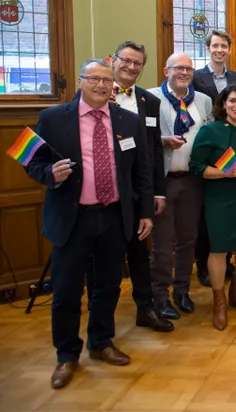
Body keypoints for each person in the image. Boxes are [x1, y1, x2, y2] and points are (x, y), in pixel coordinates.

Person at [25, 59, 154, 389]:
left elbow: (141, 172)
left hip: (114, 216)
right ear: (80, 81)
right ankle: (66, 355)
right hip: (73, 218)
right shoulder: (53, 119)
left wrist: (144, 212)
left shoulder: (129, 120)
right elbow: (31, 160)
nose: (101, 85)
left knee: (109, 286)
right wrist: (48, 174)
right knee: (67, 291)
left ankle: (101, 343)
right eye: (93, 78)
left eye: (107, 80)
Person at [83, 42, 171, 333]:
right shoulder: (91, 96)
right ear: (114, 60)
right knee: (98, 261)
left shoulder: (149, 102)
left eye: (138, 63)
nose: (131, 67)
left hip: (137, 192)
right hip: (103, 195)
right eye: (126, 61)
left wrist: (157, 191)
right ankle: (98, 318)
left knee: (139, 254)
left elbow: (154, 152)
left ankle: (145, 308)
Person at [189, 83, 236, 331]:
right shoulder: (210, 131)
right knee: (219, 248)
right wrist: (225, 172)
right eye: (232, 101)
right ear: (223, 104)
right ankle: (219, 302)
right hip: (221, 198)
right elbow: (196, 167)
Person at [148, 53, 214, 320]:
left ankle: (182, 291)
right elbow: (143, 136)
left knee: (188, 240)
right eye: (179, 68)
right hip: (163, 181)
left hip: (192, 181)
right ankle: (160, 297)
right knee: (162, 244)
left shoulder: (203, 100)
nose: (184, 72)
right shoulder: (151, 98)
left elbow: (209, 135)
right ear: (166, 71)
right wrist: (163, 140)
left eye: (189, 68)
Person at [192, 29, 236, 285]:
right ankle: (203, 264)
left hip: (231, 146)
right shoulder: (196, 77)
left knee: (230, 209)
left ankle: (229, 261)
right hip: (209, 144)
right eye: (215, 46)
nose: (220, 50)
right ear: (208, 48)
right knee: (207, 212)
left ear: (229, 49)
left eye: (224, 45)